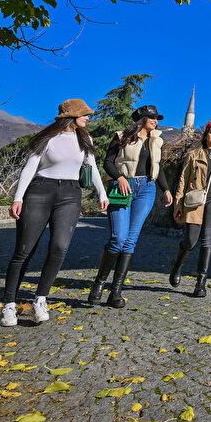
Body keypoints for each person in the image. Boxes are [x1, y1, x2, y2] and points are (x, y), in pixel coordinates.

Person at [0, 98, 107, 327]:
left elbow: (93, 167)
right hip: (40, 192)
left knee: (59, 247)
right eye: (85, 114)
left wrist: (102, 194)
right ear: (72, 116)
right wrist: (18, 197)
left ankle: (40, 300)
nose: (89, 117)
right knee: (24, 251)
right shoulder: (48, 137)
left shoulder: (86, 138)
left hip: (70, 194)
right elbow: (30, 167)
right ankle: (9, 305)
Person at [87, 104, 174, 308]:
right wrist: (119, 177)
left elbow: (157, 168)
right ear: (142, 119)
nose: (156, 121)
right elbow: (107, 163)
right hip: (123, 188)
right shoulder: (121, 137)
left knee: (130, 241)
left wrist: (166, 189)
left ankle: (115, 292)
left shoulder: (157, 141)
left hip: (147, 189)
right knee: (118, 237)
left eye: (157, 118)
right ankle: (99, 283)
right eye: (153, 118)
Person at [168, 120, 211, 298]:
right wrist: (178, 204)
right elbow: (182, 180)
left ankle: (200, 283)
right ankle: (177, 265)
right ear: (206, 135)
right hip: (195, 199)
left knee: (208, 240)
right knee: (190, 240)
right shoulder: (193, 154)